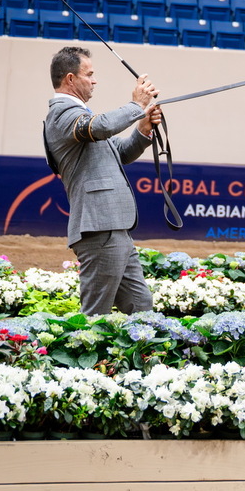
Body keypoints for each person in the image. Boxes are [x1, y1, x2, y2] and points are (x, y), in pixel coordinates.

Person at [43, 45, 164, 316]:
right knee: (95, 314)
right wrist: (137, 105)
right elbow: (102, 126)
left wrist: (143, 129)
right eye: (89, 74)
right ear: (70, 78)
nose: (94, 80)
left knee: (140, 305)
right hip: (99, 227)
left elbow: (120, 152)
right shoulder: (62, 113)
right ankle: (78, 346)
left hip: (113, 226)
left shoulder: (80, 115)